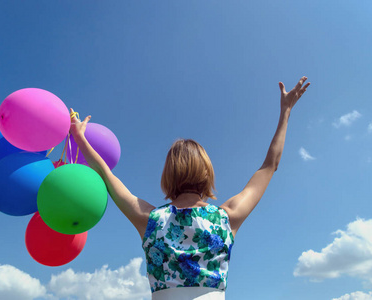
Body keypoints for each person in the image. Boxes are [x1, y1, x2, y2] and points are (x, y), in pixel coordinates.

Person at [69, 76, 310, 299]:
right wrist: (285, 112)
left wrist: (80, 139)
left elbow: (105, 174)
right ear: (207, 172)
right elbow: (270, 166)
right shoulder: (227, 217)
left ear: (168, 175)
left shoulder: (150, 219)